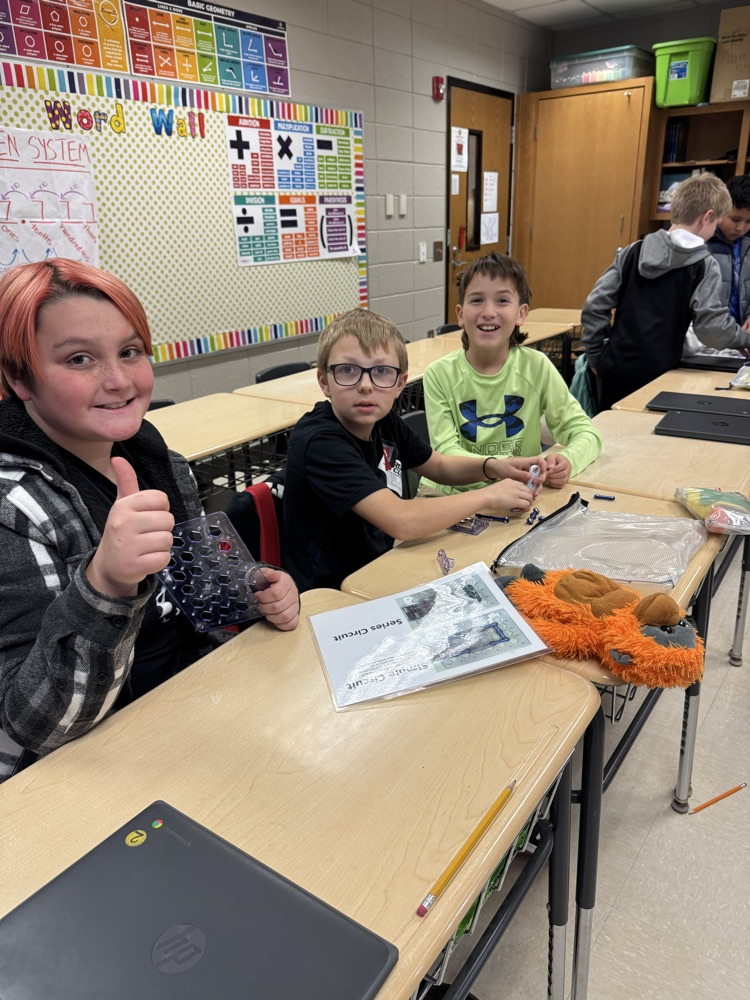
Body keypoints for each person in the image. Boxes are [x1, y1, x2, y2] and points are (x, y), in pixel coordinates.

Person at [0, 259, 299, 782]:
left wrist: (256, 588)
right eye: (78, 359)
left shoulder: (159, 463)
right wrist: (107, 582)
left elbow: (201, 593)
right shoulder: (15, 506)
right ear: (19, 378)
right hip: (83, 772)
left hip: (185, 712)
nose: (118, 381)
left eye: (130, 352)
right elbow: (38, 727)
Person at [282, 308, 546, 592]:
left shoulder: (383, 420)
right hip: (332, 592)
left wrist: (493, 466)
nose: (366, 386)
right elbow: (401, 521)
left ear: (399, 383)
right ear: (325, 381)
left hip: (380, 568)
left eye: (381, 371)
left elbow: (438, 466)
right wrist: (489, 495)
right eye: (348, 370)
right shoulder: (320, 441)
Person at [422, 252, 601, 494]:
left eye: (502, 300)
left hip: (517, 494)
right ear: (460, 315)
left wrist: (568, 460)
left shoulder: (536, 367)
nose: (488, 311)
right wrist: (497, 469)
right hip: (452, 495)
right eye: (477, 300)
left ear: (521, 314)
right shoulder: (439, 374)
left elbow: (585, 432)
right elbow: (446, 453)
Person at [581, 173, 750, 411]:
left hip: (615, 367)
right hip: (661, 374)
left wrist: (595, 354)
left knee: (609, 429)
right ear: (707, 217)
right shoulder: (704, 264)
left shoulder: (633, 251)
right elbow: (711, 330)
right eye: (715, 224)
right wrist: (745, 339)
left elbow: (594, 305)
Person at [706, 174, 750, 330]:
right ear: (720, 211)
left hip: (743, 334)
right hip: (710, 334)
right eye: (735, 219)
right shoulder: (704, 243)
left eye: (749, 221)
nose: (741, 228)